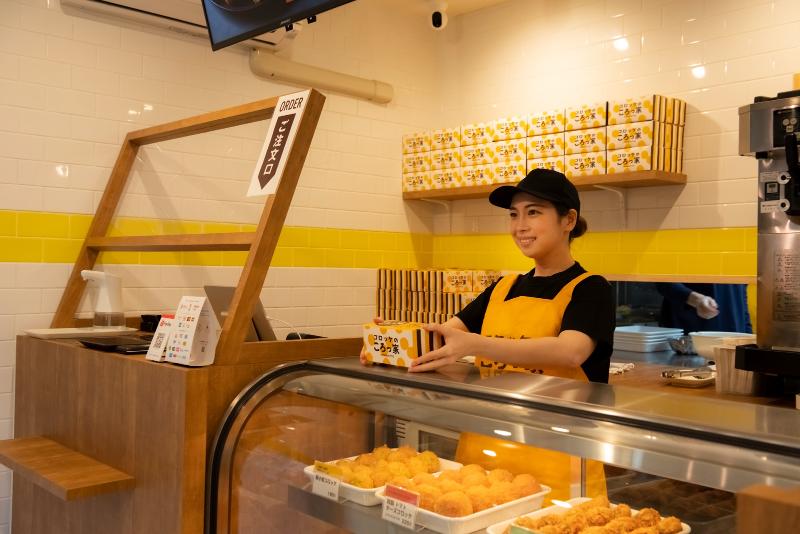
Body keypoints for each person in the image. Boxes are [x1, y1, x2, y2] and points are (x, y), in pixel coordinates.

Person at [360, 168, 615, 500]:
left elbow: (570, 351)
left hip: (558, 462)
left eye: (533, 212)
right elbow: (443, 337)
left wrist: (475, 344)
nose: (520, 226)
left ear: (568, 220)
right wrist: (391, 343)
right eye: (514, 215)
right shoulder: (503, 287)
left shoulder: (591, 289)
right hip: (485, 460)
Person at [655, 283, 752, 334]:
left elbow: (741, 295)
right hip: (689, 338)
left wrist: (748, 336)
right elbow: (663, 280)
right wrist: (695, 299)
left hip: (736, 337)